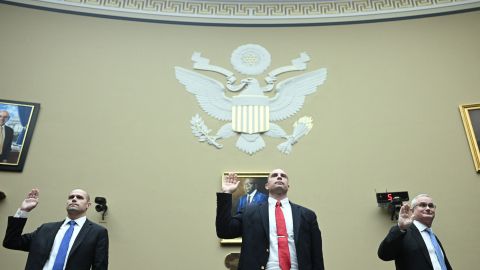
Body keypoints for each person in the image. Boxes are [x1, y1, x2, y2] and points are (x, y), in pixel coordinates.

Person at [216, 168, 325, 270]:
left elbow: (316, 255)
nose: (279, 177)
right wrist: (226, 193)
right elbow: (224, 231)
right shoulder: (249, 212)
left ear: (288, 186)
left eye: (283, 176)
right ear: (267, 186)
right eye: (274, 175)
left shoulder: (307, 215)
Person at [3, 188, 109, 270]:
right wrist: (23, 211)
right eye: (71, 197)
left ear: (88, 205)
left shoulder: (97, 232)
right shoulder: (45, 229)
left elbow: (100, 267)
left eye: (79, 197)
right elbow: (11, 242)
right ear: (67, 203)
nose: (74, 199)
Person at [378, 194, 452, 270]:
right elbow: (384, 255)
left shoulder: (432, 236)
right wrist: (401, 227)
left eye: (431, 206)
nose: (428, 208)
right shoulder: (403, 232)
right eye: (422, 205)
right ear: (412, 210)